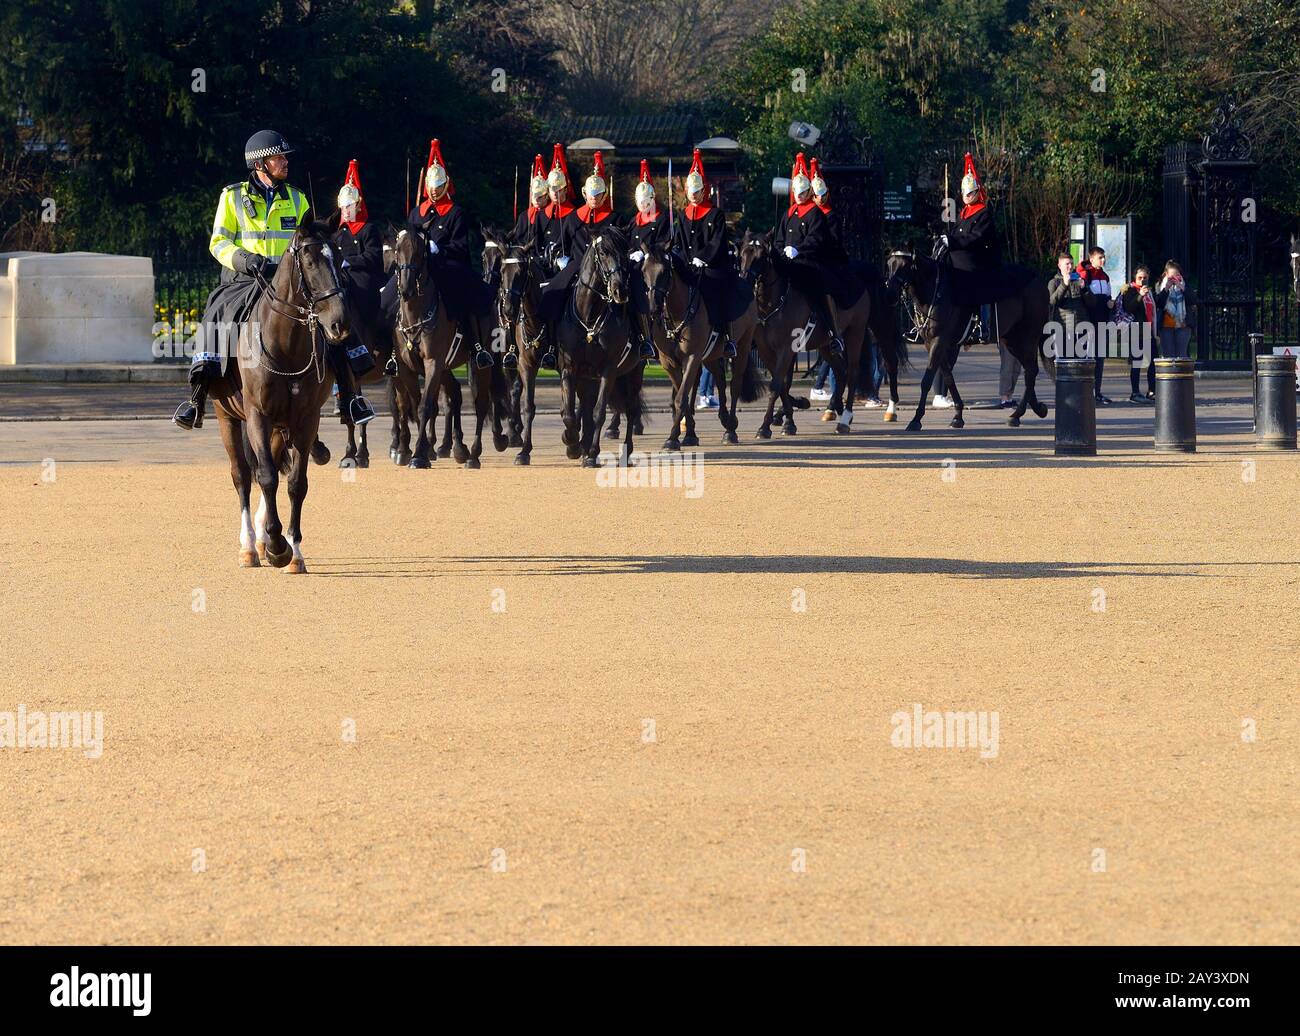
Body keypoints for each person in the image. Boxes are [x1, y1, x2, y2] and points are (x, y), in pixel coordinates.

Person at [173, 130, 373, 431]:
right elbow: (218, 242)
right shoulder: (232, 197)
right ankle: (198, 396)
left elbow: (311, 237)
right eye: (278, 157)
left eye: (283, 157)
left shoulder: (297, 197)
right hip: (244, 278)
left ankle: (350, 396)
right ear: (260, 165)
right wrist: (245, 259)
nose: (284, 162)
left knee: (333, 316)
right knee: (216, 311)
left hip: (291, 281)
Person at [405, 138, 496, 369]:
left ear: (446, 185)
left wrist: (439, 249)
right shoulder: (417, 213)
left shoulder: (456, 213)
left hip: (449, 265)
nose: (434, 191)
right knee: (393, 292)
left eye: (438, 186)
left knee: (466, 295)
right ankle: (392, 350)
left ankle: (476, 346)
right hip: (421, 267)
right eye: (431, 186)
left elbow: (461, 247)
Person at [774, 152, 847, 359]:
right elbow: (779, 239)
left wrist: (799, 250)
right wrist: (781, 252)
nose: (799, 195)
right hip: (788, 262)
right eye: (797, 192)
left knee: (820, 292)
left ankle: (833, 333)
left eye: (803, 191)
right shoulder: (788, 214)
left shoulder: (815, 213)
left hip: (808, 262)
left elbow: (817, 239)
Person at [328, 160, 380, 425]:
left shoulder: (369, 230)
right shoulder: (336, 235)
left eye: (350, 206)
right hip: (341, 282)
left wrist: (351, 262)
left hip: (361, 282)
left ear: (358, 205)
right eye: (343, 207)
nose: (346, 211)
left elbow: (373, 257)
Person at [673, 148, 737, 358]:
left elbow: (718, 241)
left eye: (697, 190)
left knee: (718, 292)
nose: (693, 194)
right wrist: (681, 258)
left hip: (712, 266)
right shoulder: (683, 216)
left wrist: (704, 257)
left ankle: (726, 337)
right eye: (691, 190)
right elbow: (680, 242)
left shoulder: (715, 214)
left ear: (703, 191)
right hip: (689, 266)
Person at [626, 159, 667, 360]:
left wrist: (647, 253)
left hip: (651, 267)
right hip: (634, 266)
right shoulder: (634, 221)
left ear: (652, 199)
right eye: (640, 201)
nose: (643, 204)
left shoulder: (661, 219)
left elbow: (664, 243)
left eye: (646, 201)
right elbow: (627, 241)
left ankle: (647, 338)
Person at [1077, 245, 1115, 404]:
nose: (1103, 260)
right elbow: (1082, 299)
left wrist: (1110, 303)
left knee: (1099, 359)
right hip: (1088, 322)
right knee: (1086, 358)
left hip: (1101, 322)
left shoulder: (1105, 276)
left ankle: (1097, 392)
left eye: (1104, 257)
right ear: (1091, 259)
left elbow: (1107, 296)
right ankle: (1084, 392)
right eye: (1100, 257)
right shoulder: (1085, 275)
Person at [1119, 265, 1160, 402]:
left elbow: (1153, 310)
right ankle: (1135, 392)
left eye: (1145, 278)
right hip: (1136, 329)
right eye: (1139, 278)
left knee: (1153, 361)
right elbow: (1129, 307)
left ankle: (1152, 390)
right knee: (1137, 363)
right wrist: (1139, 295)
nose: (1142, 280)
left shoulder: (1149, 292)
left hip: (1148, 329)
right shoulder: (1129, 290)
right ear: (1135, 278)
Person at [508, 153, 549, 248]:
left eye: (540, 197)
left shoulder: (551, 216)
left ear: (546, 196)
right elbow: (518, 238)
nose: (536, 200)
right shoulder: (524, 216)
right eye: (534, 197)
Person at [1156, 261, 1196, 359]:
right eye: (1172, 276)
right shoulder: (1160, 285)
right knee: (1168, 356)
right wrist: (1166, 289)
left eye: (1177, 275)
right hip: (1166, 325)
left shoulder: (1184, 284)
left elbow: (1193, 300)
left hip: (1183, 324)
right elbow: (1159, 303)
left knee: (1182, 355)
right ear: (1166, 274)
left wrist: (1182, 287)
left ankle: (1181, 374)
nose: (1174, 279)